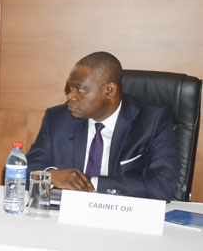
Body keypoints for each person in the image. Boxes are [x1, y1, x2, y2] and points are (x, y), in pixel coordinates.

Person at [26, 51, 179, 201]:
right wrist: (50, 176)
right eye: (70, 88)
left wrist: (91, 183)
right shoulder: (58, 119)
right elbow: (23, 170)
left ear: (109, 90)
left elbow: (162, 186)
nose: (70, 96)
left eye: (80, 89)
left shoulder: (151, 121)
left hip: (123, 212)